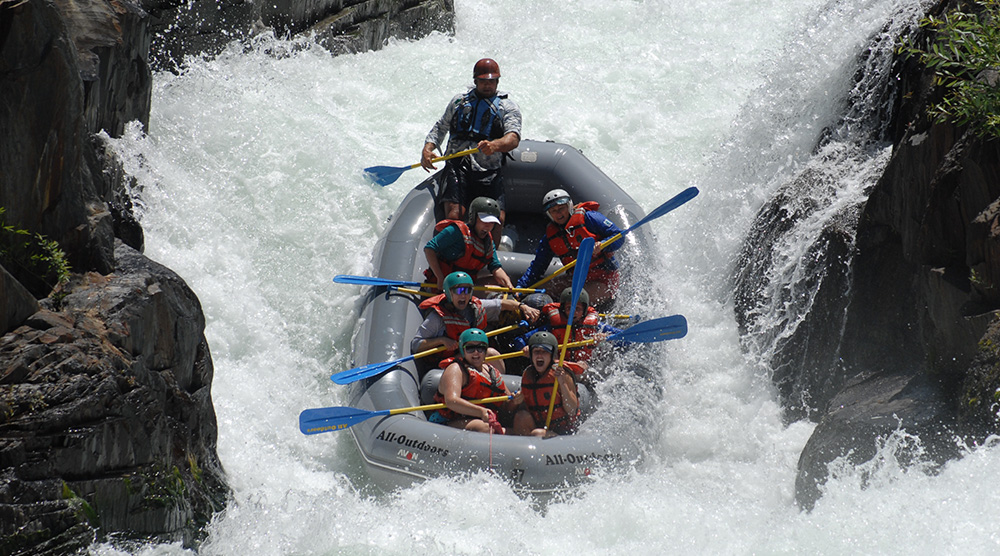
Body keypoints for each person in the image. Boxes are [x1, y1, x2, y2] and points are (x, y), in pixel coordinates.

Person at [421, 58, 522, 228]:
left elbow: (513, 138)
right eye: (483, 81)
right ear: (475, 81)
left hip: (488, 170)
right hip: (457, 166)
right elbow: (440, 127)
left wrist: (494, 145)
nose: (487, 85)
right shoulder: (459, 102)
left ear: (497, 81)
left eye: (491, 81)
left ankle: (488, 253)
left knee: (497, 221)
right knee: (455, 215)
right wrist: (427, 148)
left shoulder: (507, 107)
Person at [515, 188, 625, 305]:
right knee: (541, 291)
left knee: (573, 301)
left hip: (604, 280)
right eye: (553, 211)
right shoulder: (550, 236)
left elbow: (619, 236)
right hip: (577, 279)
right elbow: (537, 266)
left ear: (569, 206)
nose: (558, 214)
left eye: (561, 209)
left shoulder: (590, 218)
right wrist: (521, 286)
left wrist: (603, 245)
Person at [411, 271, 539, 368]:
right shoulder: (437, 318)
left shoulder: (475, 306)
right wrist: (441, 340)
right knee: (490, 354)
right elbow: (416, 345)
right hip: (449, 362)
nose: (464, 295)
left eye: (467, 290)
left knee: (492, 354)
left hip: (471, 355)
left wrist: (523, 306)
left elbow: (502, 304)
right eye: (459, 290)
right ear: (449, 293)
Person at [430, 328, 516, 434]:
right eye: (470, 348)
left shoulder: (492, 372)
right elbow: (451, 401)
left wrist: (516, 400)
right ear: (463, 350)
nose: (476, 352)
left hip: (482, 420)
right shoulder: (456, 369)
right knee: (484, 427)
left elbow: (506, 403)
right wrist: (481, 412)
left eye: (481, 348)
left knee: (517, 426)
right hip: (449, 422)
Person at [423, 196, 514, 290]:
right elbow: (429, 248)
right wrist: (440, 278)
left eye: (492, 222)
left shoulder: (488, 242)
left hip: (465, 285)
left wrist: (508, 284)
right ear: (473, 218)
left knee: (497, 282)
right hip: (447, 283)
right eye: (484, 221)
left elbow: (496, 268)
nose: (488, 226)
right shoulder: (455, 231)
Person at [512, 331, 581, 437]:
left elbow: (572, 410)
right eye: (536, 352)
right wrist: (517, 401)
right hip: (541, 427)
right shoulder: (528, 374)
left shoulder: (562, 373)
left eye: (544, 352)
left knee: (537, 433)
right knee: (521, 417)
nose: (539, 355)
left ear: (551, 355)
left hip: (563, 433)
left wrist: (562, 384)